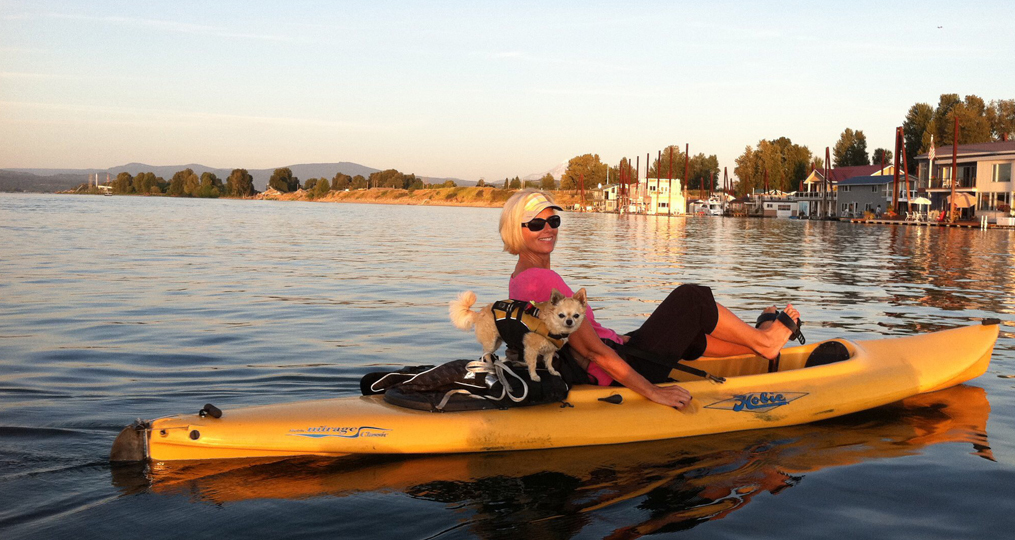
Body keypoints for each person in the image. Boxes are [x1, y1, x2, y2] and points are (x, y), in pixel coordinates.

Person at [500, 189, 800, 410]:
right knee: (691, 299)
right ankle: (765, 343)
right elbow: (592, 351)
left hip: (612, 352)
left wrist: (620, 339)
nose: (549, 229)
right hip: (609, 373)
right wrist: (653, 392)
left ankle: (756, 347)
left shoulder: (519, 279)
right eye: (536, 225)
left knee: (689, 333)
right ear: (517, 230)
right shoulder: (542, 281)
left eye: (553, 221)